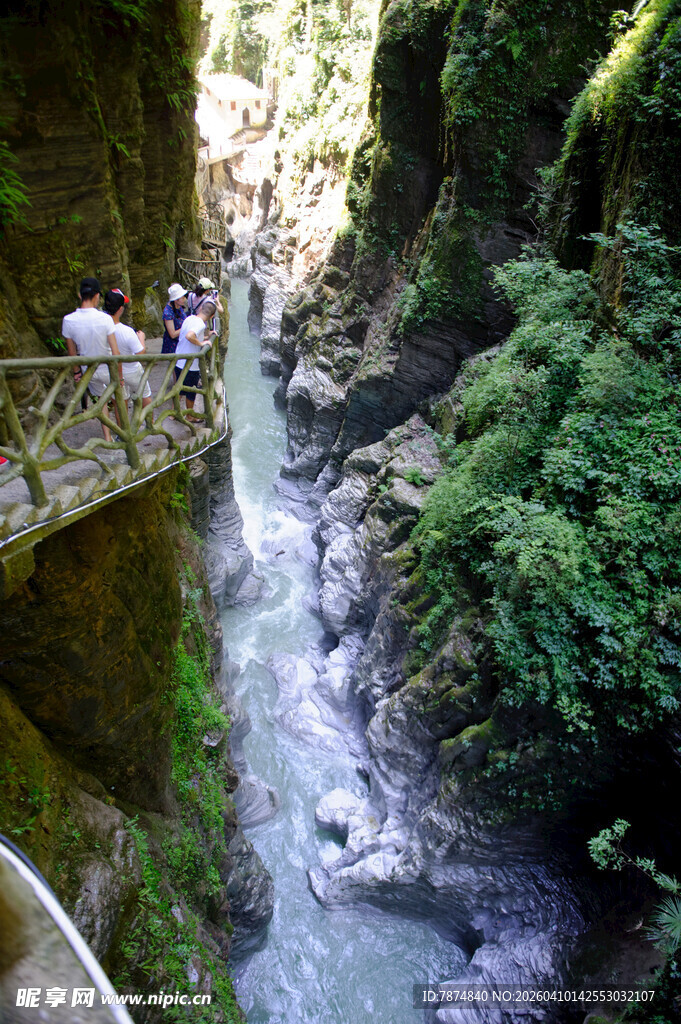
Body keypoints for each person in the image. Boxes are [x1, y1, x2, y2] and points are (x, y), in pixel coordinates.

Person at [62, 277, 124, 442]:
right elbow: (116, 352)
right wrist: (120, 376)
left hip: (89, 370)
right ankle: (123, 432)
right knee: (117, 399)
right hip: (107, 368)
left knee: (102, 402)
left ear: (79, 295)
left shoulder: (68, 320)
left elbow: (72, 353)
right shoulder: (105, 319)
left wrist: (77, 373)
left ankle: (107, 436)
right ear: (97, 296)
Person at [104, 288, 152, 410]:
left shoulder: (100, 327)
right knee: (144, 394)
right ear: (120, 309)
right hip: (131, 370)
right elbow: (140, 353)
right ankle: (150, 424)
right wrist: (141, 338)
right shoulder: (127, 331)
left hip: (112, 371)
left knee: (120, 401)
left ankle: (122, 428)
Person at [175, 300, 217, 421]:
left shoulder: (189, 318)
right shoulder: (201, 324)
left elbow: (187, 334)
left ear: (201, 309)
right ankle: (189, 416)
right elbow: (189, 336)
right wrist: (202, 343)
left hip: (178, 361)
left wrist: (206, 336)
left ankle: (174, 413)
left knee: (179, 388)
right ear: (212, 316)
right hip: (190, 365)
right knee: (191, 391)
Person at [162, 283, 187, 354]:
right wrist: (186, 327)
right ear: (176, 300)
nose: (184, 299)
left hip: (181, 343)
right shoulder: (168, 313)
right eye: (182, 298)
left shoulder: (179, 307)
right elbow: (172, 334)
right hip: (173, 347)